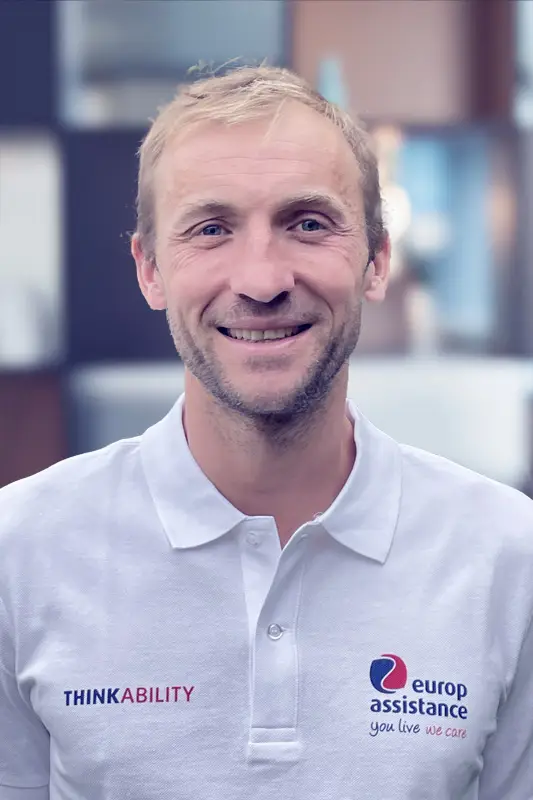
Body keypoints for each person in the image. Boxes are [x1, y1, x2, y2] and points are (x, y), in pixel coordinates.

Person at [0, 65, 532, 800]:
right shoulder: (19, 553)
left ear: (376, 260)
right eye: (211, 229)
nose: (261, 279)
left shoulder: (510, 556)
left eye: (307, 223)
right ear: (150, 270)